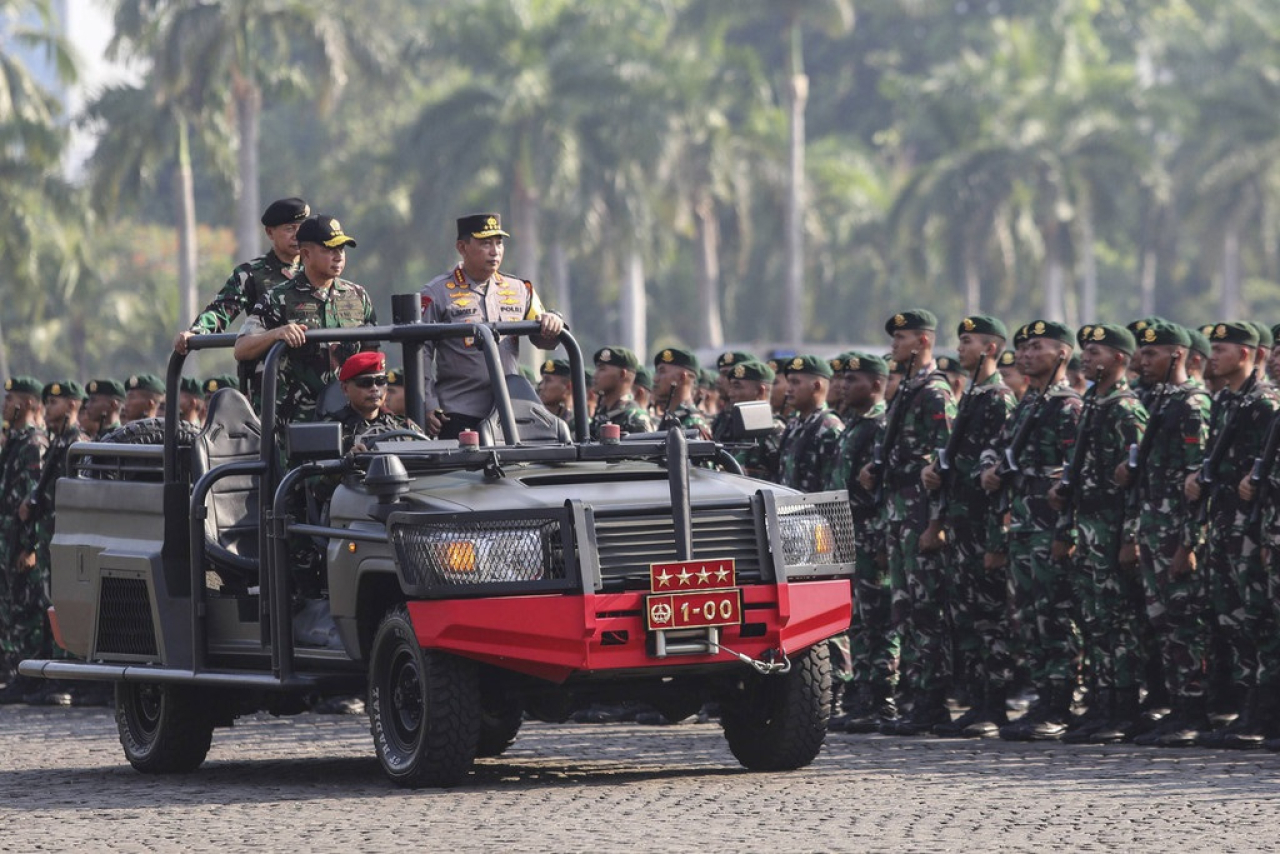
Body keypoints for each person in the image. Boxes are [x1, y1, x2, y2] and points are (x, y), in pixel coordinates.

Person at [979, 320, 1083, 741]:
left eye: (1037, 347)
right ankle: (1043, 697)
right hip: (1022, 524)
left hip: (1050, 525)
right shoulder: (1029, 403)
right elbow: (1001, 446)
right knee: (1028, 617)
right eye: (1022, 348)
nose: (1025, 354)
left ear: (1062, 354)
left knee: (1054, 616)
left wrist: (1066, 533)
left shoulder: (1069, 407)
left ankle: (1058, 703)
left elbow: (1076, 474)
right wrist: (989, 469)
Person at [858, 309, 955, 736]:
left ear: (922, 342)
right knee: (906, 611)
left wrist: (937, 524)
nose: (893, 345)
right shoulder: (909, 389)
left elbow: (943, 462)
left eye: (901, 338)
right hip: (898, 514)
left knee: (925, 609)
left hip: (920, 515)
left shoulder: (935, 392)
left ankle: (932, 701)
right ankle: (916, 698)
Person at [1049, 324, 1147, 744]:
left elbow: (1138, 482)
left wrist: (1130, 538)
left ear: (1120, 359)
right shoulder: (1094, 403)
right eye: (1085, 352)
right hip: (1087, 525)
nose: (1086, 359)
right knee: (1095, 620)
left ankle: (1123, 706)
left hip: (1112, 526)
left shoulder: (1125, 409)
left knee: (1117, 621)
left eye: (1095, 352)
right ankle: (1101, 703)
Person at [1115, 322, 1212, 746]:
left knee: (1186, 622)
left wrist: (1189, 543)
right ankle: (1175, 706)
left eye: (1152, 354)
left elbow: (1199, 482)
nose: (1142, 360)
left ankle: (1195, 711)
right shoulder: (1160, 402)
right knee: (1163, 622)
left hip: (1177, 533)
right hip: (1155, 528)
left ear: (1177, 356)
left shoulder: (1191, 404)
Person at [922, 315, 1017, 738]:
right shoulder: (974, 396)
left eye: (968, 341)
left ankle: (993, 705)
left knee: (989, 618)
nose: (960, 348)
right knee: (968, 617)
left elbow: (998, 475)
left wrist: (998, 536)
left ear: (990, 349)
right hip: (963, 523)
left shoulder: (998, 398)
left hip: (984, 525)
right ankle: (978, 700)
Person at [1186, 322, 1280, 748]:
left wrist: (1257, 483)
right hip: (1226, 523)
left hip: (1253, 526)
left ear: (1245, 355)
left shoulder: (1263, 405)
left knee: (1259, 619)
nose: (1212, 356)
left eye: (1220, 348)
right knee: (1234, 618)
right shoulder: (1227, 401)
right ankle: (1248, 708)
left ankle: (1264, 713)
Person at [419, 214, 563, 440]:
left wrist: (553, 321)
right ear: (462, 247)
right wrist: (427, 403)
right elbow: (421, 353)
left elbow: (544, 338)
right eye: (485, 243)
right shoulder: (437, 292)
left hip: (509, 410)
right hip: (458, 411)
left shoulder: (520, 289)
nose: (495, 251)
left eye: (499, 242)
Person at [234, 214, 377, 426]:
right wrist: (276, 334)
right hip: (294, 423)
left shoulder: (358, 296)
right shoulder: (278, 298)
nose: (338, 256)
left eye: (341, 249)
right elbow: (242, 348)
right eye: (329, 250)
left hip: (349, 421)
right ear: (306, 254)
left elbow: (371, 357)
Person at [825, 352, 898, 733]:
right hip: (846, 534)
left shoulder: (880, 425)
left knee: (878, 620)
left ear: (874, 384)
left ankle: (882, 698)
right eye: (841, 379)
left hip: (872, 534)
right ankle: (863, 697)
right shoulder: (853, 426)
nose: (843, 385)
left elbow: (882, 488)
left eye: (852, 379)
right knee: (856, 619)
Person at [18, 381, 99, 706]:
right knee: (54, 605)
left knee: (67, 606)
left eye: (54, 402)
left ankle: (71, 679)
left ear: (70, 406)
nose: (47, 407)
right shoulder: (60, 441)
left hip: (68, 538)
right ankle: (56, 676)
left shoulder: (76, 442)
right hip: (51, 536)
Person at [174, 197, 309, 357]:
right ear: (270, 232)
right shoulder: (251, 273)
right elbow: (221, 310)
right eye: (289, 229)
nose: (296, 236)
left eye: (301, 229)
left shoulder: (316, 269)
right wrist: (196, 332)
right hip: (271, 371)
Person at [0, 376, 48, 704]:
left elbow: (33, 501)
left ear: (29, 404)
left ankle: (27, 676)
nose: (5, 404)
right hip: (8, 538)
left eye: (11, 398)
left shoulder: (33, 443)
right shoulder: (14, 442)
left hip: (21, 541)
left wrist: (29, 545)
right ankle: (15, 672)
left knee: (27, 609)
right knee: (11, 608)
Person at [327, 352, 426, 454]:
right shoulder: (331, 431)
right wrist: (346, 462)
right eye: (365, 383)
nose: (375, 388)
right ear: (345, 389)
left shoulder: (404, 427)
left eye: (381, 381)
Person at [776, 355, 843, 492]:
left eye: (795, 383)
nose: (788, 390)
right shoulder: (794, 424)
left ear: (816, 386)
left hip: (814, 512)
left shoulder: (828, 428)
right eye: (789, 382)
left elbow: (833, 489)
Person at [719, 359, 784, 481]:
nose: (730, 394)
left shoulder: (772, 431)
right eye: (731, 387)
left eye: (737, 387)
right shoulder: (738, 426)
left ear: (760, 391)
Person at [590, 347, 653, 439]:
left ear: (622, 374)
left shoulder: (636, 418)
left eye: (602, 369)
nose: (595, 375)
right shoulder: (601, 415)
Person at [651, 348, 710, 437]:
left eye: (662, 371)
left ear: (682, 377)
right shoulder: (669, 420)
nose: (655, 379)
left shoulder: (694, 425)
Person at [537, 358, 574, 425]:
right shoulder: (537, 418)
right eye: (542, 381)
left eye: (548, 381)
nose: (541, 387)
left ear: (568, 388)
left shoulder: (578, 424)